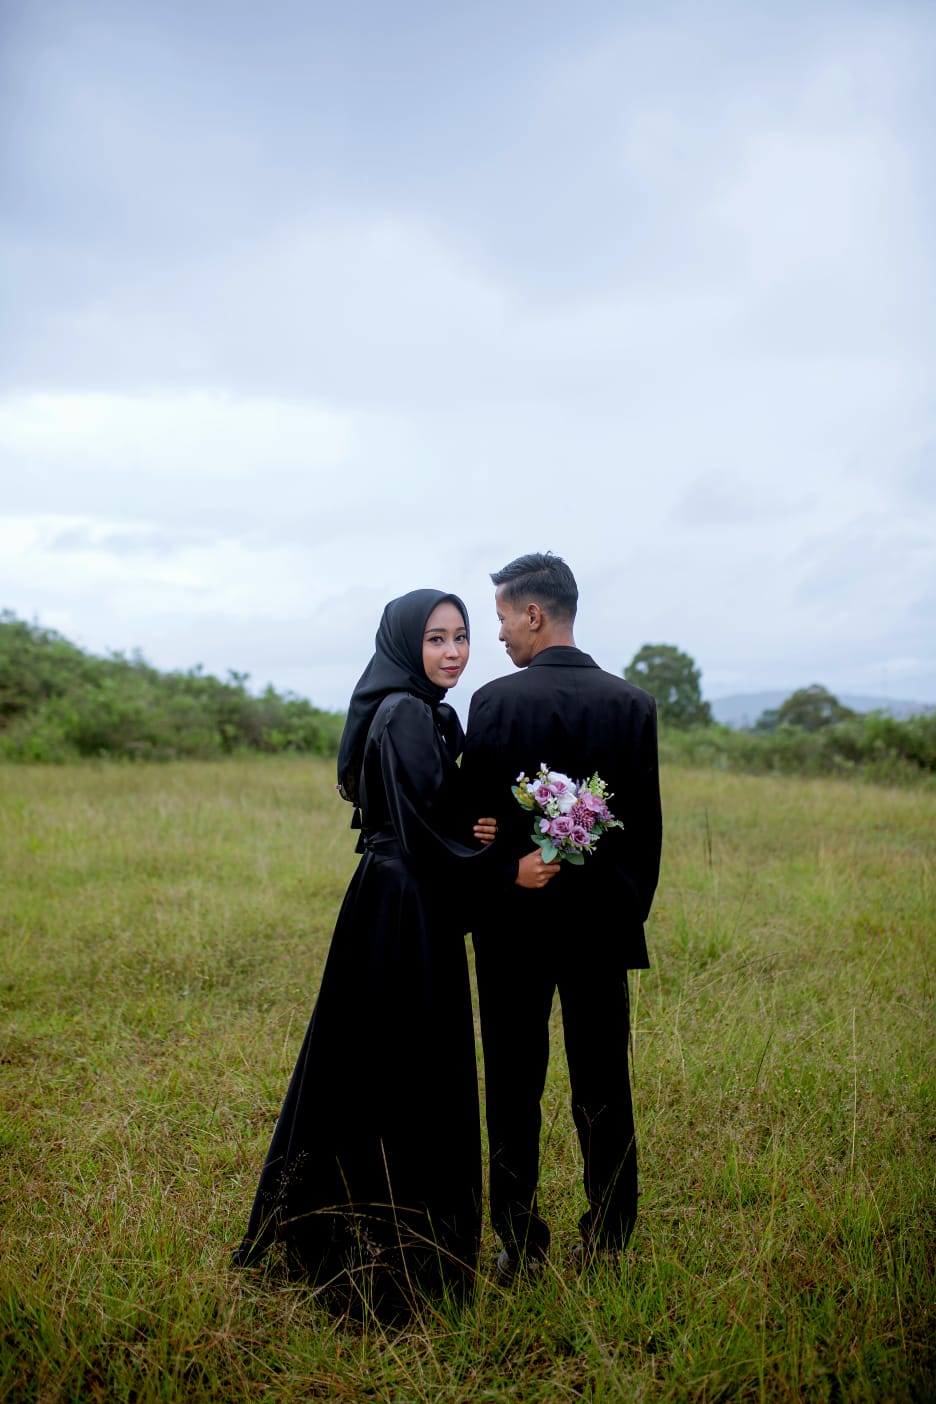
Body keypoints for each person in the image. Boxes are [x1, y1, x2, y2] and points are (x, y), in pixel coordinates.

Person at [232, 588, 557, 1319]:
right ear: (406, 644)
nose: (453, 652)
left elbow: (422, 812)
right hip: (402, 905)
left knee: (376, 1064)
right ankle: (390, 1253)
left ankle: (368, 1232)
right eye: (436, 639)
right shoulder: (406, 712)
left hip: (401, 899)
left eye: (462, 636)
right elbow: (416, 830)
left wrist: (469, 826)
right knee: (405, 1067)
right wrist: (505, 870)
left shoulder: (421, 712)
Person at [461, 553, 662, 1277]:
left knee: (513, 1084)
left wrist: (494, 877)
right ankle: (609, 1240)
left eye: (502, 619)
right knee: (604, 1085)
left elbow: (473, 822)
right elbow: (646, 835)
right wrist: (622, 912)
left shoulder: (494, 703)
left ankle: (519, 1243)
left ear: (534, 613)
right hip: (602, 927)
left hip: (512, 926)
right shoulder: (633, 704)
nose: (499, 635)